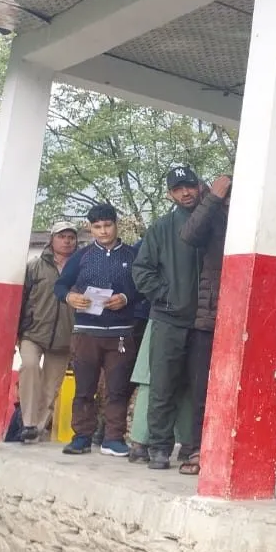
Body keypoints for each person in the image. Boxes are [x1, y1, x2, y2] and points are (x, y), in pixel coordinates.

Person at [56, 204, 144, 456]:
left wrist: (126, 299)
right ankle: (81, 436)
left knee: (117, 388)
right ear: (90, 227)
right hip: (86, 331)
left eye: (108, 225)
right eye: (97, 227)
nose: (103, 231)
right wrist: (71, 297)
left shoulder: (132, 256)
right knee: (84, 388)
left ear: (117, 225)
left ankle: (113, 438)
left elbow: (143, 287)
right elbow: (60, 286)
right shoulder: (81, 256)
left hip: (121, 332)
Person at [132, 166, 205, 472]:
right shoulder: (161, 228)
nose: (186, 192)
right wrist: (167, 296)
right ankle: (159, 447)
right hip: (168, 319)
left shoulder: (215, 224)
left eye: (189, 186)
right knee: (162, 386)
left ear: (199, 187)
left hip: (203, 322)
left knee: (199, 388)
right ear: (170, 194)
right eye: (179, 189)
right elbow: (141, 271)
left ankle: (192, 448)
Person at [177, 173, 231, 475]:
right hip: (209, 316)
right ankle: (198, 448)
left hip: (248, 318)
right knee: (202, 390)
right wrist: (213, 198)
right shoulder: (213, 214)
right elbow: (189, 235)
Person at [15, 220, 78, 443]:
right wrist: (17, 332)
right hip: (33, 332)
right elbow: (20, 300)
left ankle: (36, 430)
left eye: (71, 237)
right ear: (52, 239)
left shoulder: (81, 268)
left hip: (65, 336)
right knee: (29, 367)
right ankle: (29, 422)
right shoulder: (34, 266)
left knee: (52, 385)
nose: (67, 240)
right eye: (62, 236)